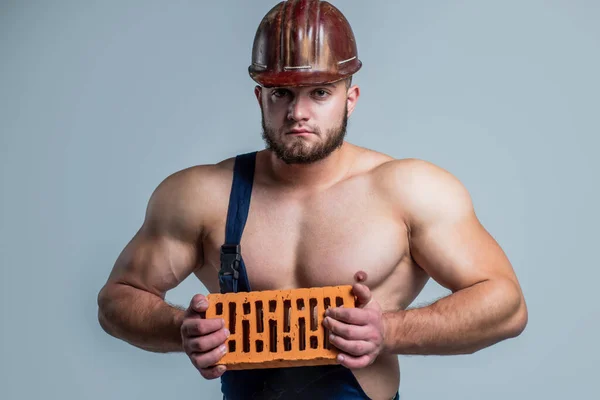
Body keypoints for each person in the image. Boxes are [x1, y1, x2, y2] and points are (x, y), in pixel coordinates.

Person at [97, 1, 528, 399]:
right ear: (260, 97)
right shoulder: (201, 194)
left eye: (319, 93)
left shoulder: (407, 190)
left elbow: (506, 306)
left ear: (350, 99)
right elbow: (117, 299)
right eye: (281, 93)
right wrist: (179, 328)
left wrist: (388, 331)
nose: (297, 112)